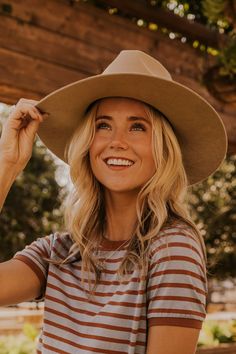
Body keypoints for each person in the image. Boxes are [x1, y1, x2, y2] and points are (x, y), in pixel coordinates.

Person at [0, 50, 227, 354]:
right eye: (103, 125)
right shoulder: (60, 252)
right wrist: (7, 165)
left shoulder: (173, 248)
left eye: (137, 126)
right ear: (87, 142)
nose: (116, 141)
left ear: (163, 147)